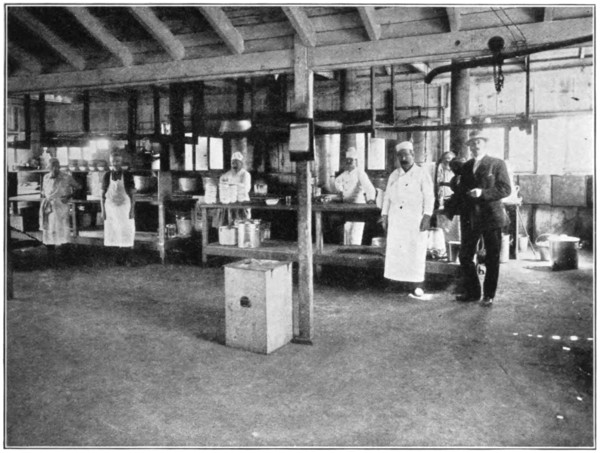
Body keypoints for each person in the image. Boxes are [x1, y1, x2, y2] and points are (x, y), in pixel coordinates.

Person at [454, 129, 511, 307]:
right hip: (470, 217)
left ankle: (488, 295)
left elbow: (505, 189)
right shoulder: (466, 166)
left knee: (492, 257)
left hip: (491, 216)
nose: (475, 145)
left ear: (485, 144)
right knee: (465, 256)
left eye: (478, 142)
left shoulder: (497, 163)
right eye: (472, 143)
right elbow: (462, 190)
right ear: (469, 147)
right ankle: (473, 292)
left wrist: (483, 193)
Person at [381, 141, 434, 297]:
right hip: (396, 219)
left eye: (406, 155)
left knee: (414, 252)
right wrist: (384, 215)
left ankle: (417, 284)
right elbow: (387, 197)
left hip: (414, 219)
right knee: (396, 251)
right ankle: (395, 282)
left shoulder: (422, 173)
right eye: (400, 156)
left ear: (413, 155)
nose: (403, 158)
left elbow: (429, 197)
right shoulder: (394, 174)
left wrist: (427, 216)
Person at [39, 158, 81, 263]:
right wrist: (45, 198)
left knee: (63, 230)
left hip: (61, 206)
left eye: (56, 166)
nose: (54, 169)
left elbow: (79, 187)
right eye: (51, 166)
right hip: (48, 206)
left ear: (59, 166)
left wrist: (69, 196)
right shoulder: (46, 177)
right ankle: (50, 257)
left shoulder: (66, 177)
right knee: (49, 230)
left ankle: (65, 256)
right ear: (48, 167)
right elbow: (43, 191)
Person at [334, 147, 376, 245]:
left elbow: (370, 188)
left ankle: (355, 251)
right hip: (347, 206)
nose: (349, 163)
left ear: (356, 161)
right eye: (347, 161)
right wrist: (340, 190)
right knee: (347, 231)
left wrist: (370, 199)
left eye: (351, 160)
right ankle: (346, 253)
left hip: (358, 206)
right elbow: (337, 181)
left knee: (355, 235)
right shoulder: (345, 174)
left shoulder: (360, 173)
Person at [101, 149, 136, 256]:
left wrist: (132, 210)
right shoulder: (107, 175)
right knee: (112, 232)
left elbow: (132, 195)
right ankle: (115, 257)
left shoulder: (128, 175)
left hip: (124, 208)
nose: (115, 163)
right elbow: (102, 196)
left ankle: (126, 256)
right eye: (113, 161)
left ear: (121, 162)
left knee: (125, 231)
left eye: (117, 161)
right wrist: (103, 211)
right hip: (110, 209)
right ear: (110, 162)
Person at [218, 151, 252, 224]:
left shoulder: (245, 174)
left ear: (241, 163)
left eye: (237, 162)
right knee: (230, 224)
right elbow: (222, 185)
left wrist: (231, 186)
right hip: (230, 204)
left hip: (243, 203)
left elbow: (246, 188)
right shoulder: (227, 175)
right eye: (233, 162)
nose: (234, 165)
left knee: (242, 224)